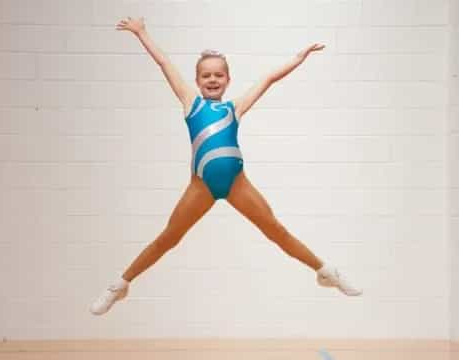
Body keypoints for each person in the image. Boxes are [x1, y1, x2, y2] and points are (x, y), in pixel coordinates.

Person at [90, 16, 362, 316]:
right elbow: (165, 65)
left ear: (228, 80)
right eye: (206, 75)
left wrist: (299, 57)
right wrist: (142, 33)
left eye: (219, 75)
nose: (212, 80)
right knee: (168, 238)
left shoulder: (235, 107)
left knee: (276, 231)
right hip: (201, 186)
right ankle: (120, 284)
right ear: (197, 81)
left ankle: (326, 272)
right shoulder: (190, 102)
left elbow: (268, 79)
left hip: (236, 183)